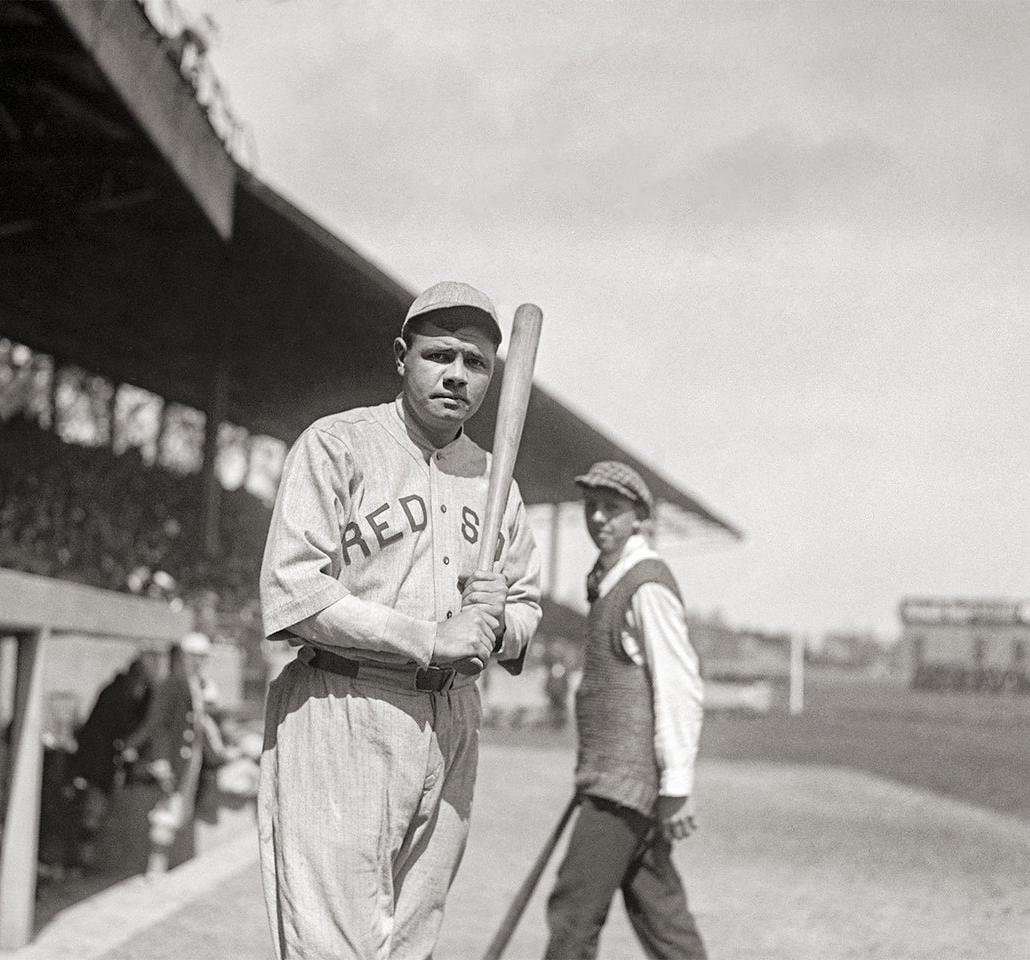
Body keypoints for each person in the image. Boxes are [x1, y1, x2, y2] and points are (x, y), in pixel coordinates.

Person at [258, 280, 542, 959]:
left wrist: (497, 624)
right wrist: (428, 636)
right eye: (440, 355)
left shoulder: (495, 478)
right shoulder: (338, 446)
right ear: (400, 356)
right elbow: (292, 588)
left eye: (475, 364)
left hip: (451, 722)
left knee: (413, 941)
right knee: (333, 947)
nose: (457, 375)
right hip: (343, 705)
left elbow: (528, 604)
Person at [544, 461, 707, 960]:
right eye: (591, 507)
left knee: (573, 913)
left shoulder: (647, 584)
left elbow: (680, 686)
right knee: (662, 918)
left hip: (623, 786)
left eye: (612, 509)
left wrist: (676, 788)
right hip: (612, 778)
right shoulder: (609, 579)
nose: (598, 518)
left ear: (639, 517)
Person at [121, 633, 214, 876]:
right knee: (167, 810)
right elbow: (158, 724)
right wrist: (161, 759)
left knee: (178, 808)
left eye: (203, 657)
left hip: (189, 758)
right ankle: (156, 867)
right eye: (194, 656)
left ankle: (165, 865)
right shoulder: (172, 683)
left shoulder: (195, 683)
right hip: (174, 757)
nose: (199, 662)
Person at [70, 657, 152, 868]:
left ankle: (84, 858)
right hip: (97, 762)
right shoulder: (120, 695)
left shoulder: (117, 690)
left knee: (93, 810)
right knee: (92, 811)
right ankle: (82, 860)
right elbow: (126, 726)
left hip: (97, 758)